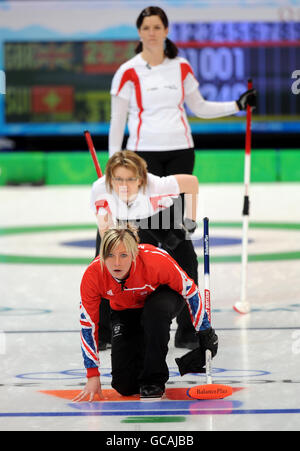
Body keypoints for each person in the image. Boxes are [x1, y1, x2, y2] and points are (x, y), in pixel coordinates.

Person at [108, 5, 257, 177]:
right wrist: (114, 161)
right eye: (146, 28)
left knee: (177, 205)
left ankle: (176, 207)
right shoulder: (127, 71)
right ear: (139, 32)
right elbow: (118, 120)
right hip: (142, 153)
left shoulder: (181, 66)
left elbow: (200, 107)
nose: (152, 33)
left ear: (166, 30)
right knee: (151, 205)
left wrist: (238, 105)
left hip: (181, 152)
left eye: (157, 27)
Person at [73, 227, 218, 402]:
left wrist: (204, 332)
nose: (117, 263)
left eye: (124, 255)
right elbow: (88, 324)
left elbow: (191, 291)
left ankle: (154, 380)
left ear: (134, 254)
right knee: (125, 386)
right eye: (110, 255)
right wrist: (92, 374)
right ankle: (143, 350)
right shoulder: (93, 275)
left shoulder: (155, 260)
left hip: (163, 298)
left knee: (155, 313)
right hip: (126, 309)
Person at [92, 150, 200, 351]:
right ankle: (104, 332)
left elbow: (191, 183)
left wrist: (190, 221)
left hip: (157, 214)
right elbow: (105, 231)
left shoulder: (158, 185)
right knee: (103, 265)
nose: (123, 185)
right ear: (109, 178)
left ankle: (187, 331)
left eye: (130, 179)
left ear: (141, 179)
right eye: (118, 179)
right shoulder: (100, 189)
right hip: (119, 220)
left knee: (187, 264)